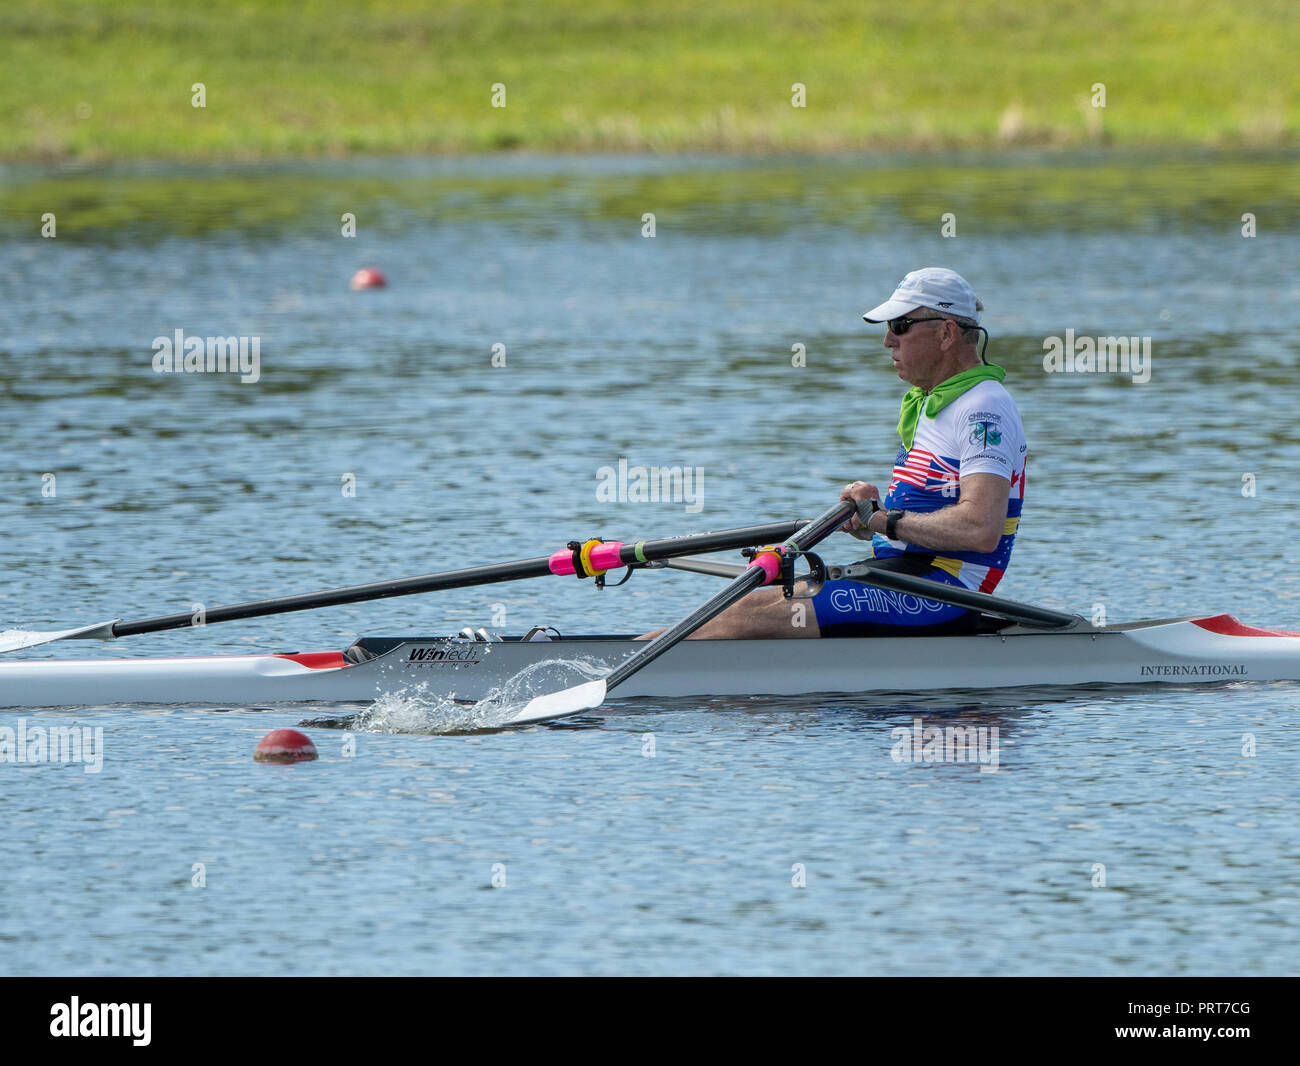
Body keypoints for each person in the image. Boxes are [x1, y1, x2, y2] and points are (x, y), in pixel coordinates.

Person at [639, 267, 1027, 640]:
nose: (888, 341)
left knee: (744, 614)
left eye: (900, 327)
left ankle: (611, 673)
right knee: (738, 608)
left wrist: (882, 521)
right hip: (901, 574)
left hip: (944, 592)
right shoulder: (933, 403)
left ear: (946, 333)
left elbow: (980, 529)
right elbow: (924, 515)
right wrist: (869, 521)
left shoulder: (983, 409)